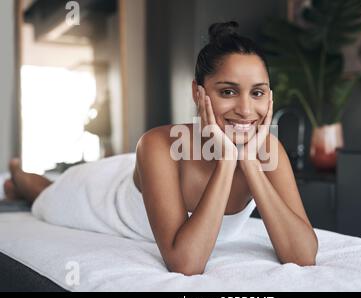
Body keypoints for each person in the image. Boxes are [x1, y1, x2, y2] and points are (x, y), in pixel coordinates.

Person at [3, 21, 318, 276]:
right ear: (199, 94)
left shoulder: (269, 152)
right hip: (101, 196)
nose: (247, 110)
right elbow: (186, 263)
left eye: (258, 93)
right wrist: (226, 162)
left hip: (147, 173)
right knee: (44, 192)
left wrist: (248, 161)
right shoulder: (157, 144)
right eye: (228, 91)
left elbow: (303, 255)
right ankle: (18, 174)